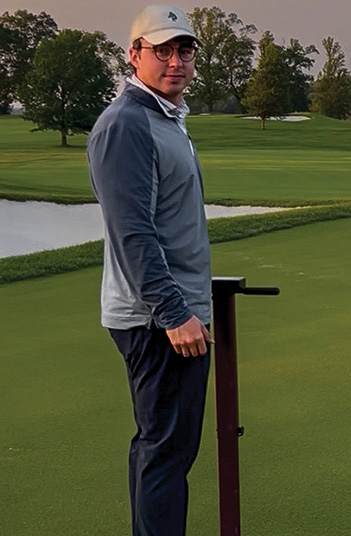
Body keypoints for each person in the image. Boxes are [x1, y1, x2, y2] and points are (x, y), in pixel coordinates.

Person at [87, 5, 212, 535]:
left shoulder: (164, 118)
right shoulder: (127, 123)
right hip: (158, 322)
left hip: (173, 315)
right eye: (162, 50)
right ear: (134, 54)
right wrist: (174, 312)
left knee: (167, 450)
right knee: (164, 451)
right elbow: (133, 233)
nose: (176, 61)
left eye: (184, 50)